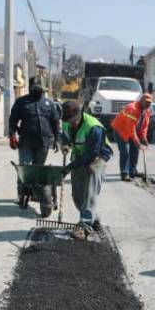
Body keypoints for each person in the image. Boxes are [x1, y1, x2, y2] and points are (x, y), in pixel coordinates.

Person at [60, 100, 112, 239]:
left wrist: (70, 167)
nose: (71, 124)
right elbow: (64, 135)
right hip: (79, 156)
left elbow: (91, 155)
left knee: (89, 192)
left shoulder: (94, 127)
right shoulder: (66, 122)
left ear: (80, 115)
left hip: (97, 157)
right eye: (68, 121)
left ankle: (85, 226)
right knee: (77, 195)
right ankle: (92, 218)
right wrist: (65, 144)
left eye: (73, 121)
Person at [8, 75, 61, 201]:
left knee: (38, 169)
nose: (37, 91)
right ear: (30, 89)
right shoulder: (21, 102)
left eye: (39, 89)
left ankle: (36, 193)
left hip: (43, 143)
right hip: (26, 141)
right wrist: (12, 135)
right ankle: (21, 193)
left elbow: (55, 123)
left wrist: (57, 140)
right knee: (25, 167)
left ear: (43, 89)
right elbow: (13, 120)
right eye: (34, 89)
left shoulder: (49, 104)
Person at [110, 93, 152, 182]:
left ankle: (132, 171)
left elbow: (144, 125)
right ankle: (124, 174)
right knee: (125, 151)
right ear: (141, 101)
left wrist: (143, 137)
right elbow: (131, 128)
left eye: (149, 103)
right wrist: (137, 142)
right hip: (121, 130)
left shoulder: (147, 111)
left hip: (131, 130)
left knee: (135, 150)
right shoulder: (132, 109)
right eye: (146, 102)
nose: (148, 104)